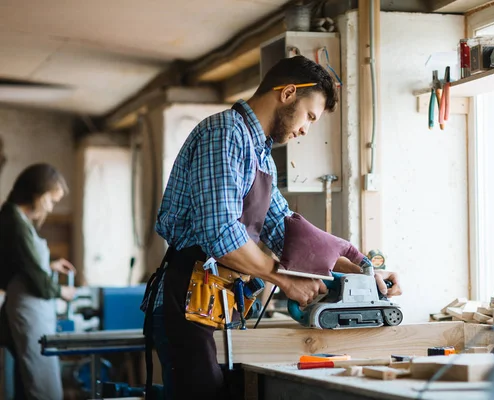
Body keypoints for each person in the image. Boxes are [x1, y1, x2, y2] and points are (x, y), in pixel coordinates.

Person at [142, 55, 402, 399]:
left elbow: (286, 231)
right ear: (288, 93)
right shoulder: (225, 133)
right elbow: (219, 233)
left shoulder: (259, 152)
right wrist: (283, 278)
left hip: (217, 305)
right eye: (309, 116)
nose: (307, 129)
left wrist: (361, 272)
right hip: (188, 300)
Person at [0, 163, 77, 400]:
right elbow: (37, 280)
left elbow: (23, 264)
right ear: (38, 194)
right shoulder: (14, 221)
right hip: (28, 310)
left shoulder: (18, 219)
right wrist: (61, 290)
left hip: (30, 309)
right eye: (51, 200)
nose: (51, 207)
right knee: (40, 382)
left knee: (33, 377)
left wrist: (50, 265)